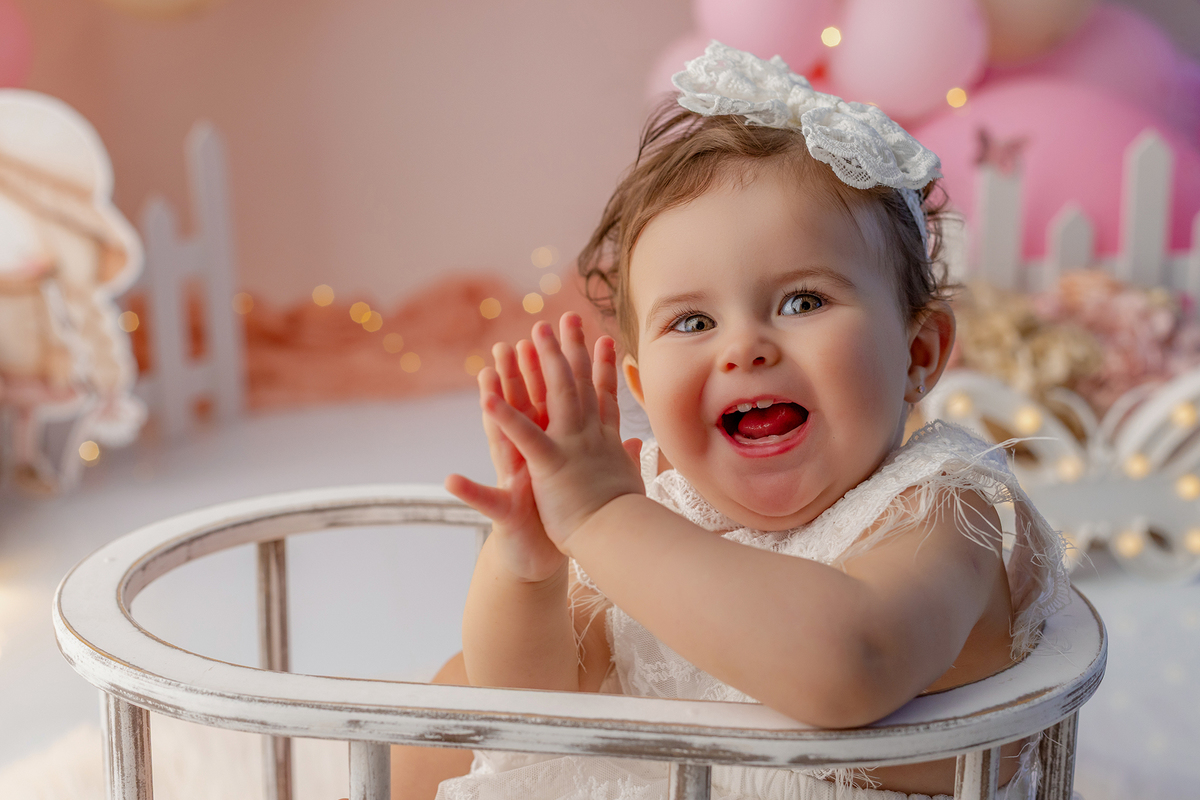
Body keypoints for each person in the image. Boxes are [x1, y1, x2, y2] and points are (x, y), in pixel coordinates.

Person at [395, 43, 1068, 800]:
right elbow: (536, 704)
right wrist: (528, 567)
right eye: (691, 322)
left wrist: (602, 519)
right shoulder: (660, 504)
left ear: (918, 352)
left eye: (803, 301)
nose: (744, 347)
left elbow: (849, 667)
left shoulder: (936, 511)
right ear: (641, 388)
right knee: (438, 720)